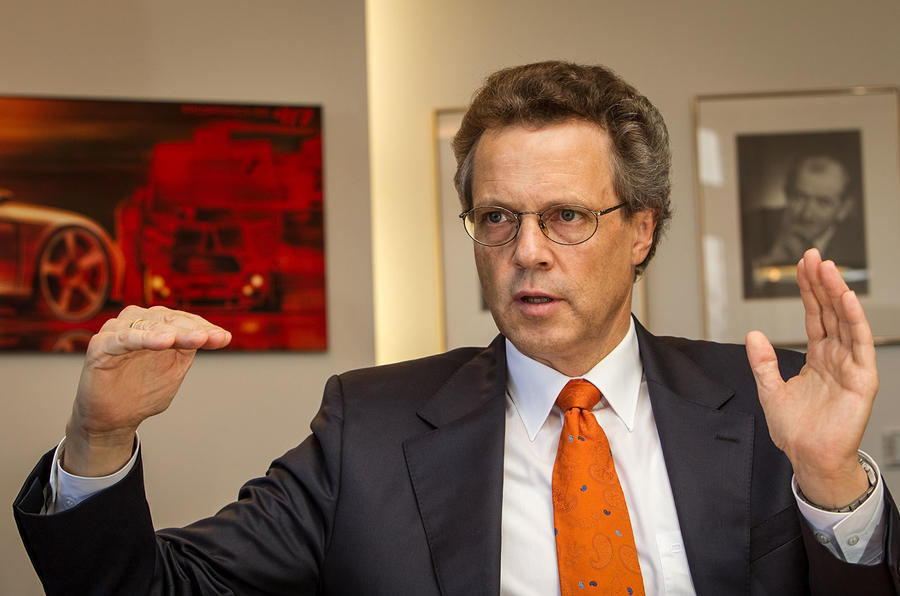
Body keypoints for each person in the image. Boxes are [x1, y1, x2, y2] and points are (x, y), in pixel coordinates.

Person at [14, 61, 898, 595]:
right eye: (498, 218)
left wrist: (831, 484)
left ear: (642, 230)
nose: (527, 252)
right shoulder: (369, 428)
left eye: (566, 217)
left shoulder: (765, 401)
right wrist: (100, 442)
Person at [755, 154, 865, 269]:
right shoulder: (756, 226)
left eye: (823, 202)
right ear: (786, 194)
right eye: (799, 197)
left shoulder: (861, 242)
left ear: (844, 208)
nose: (807, 214)